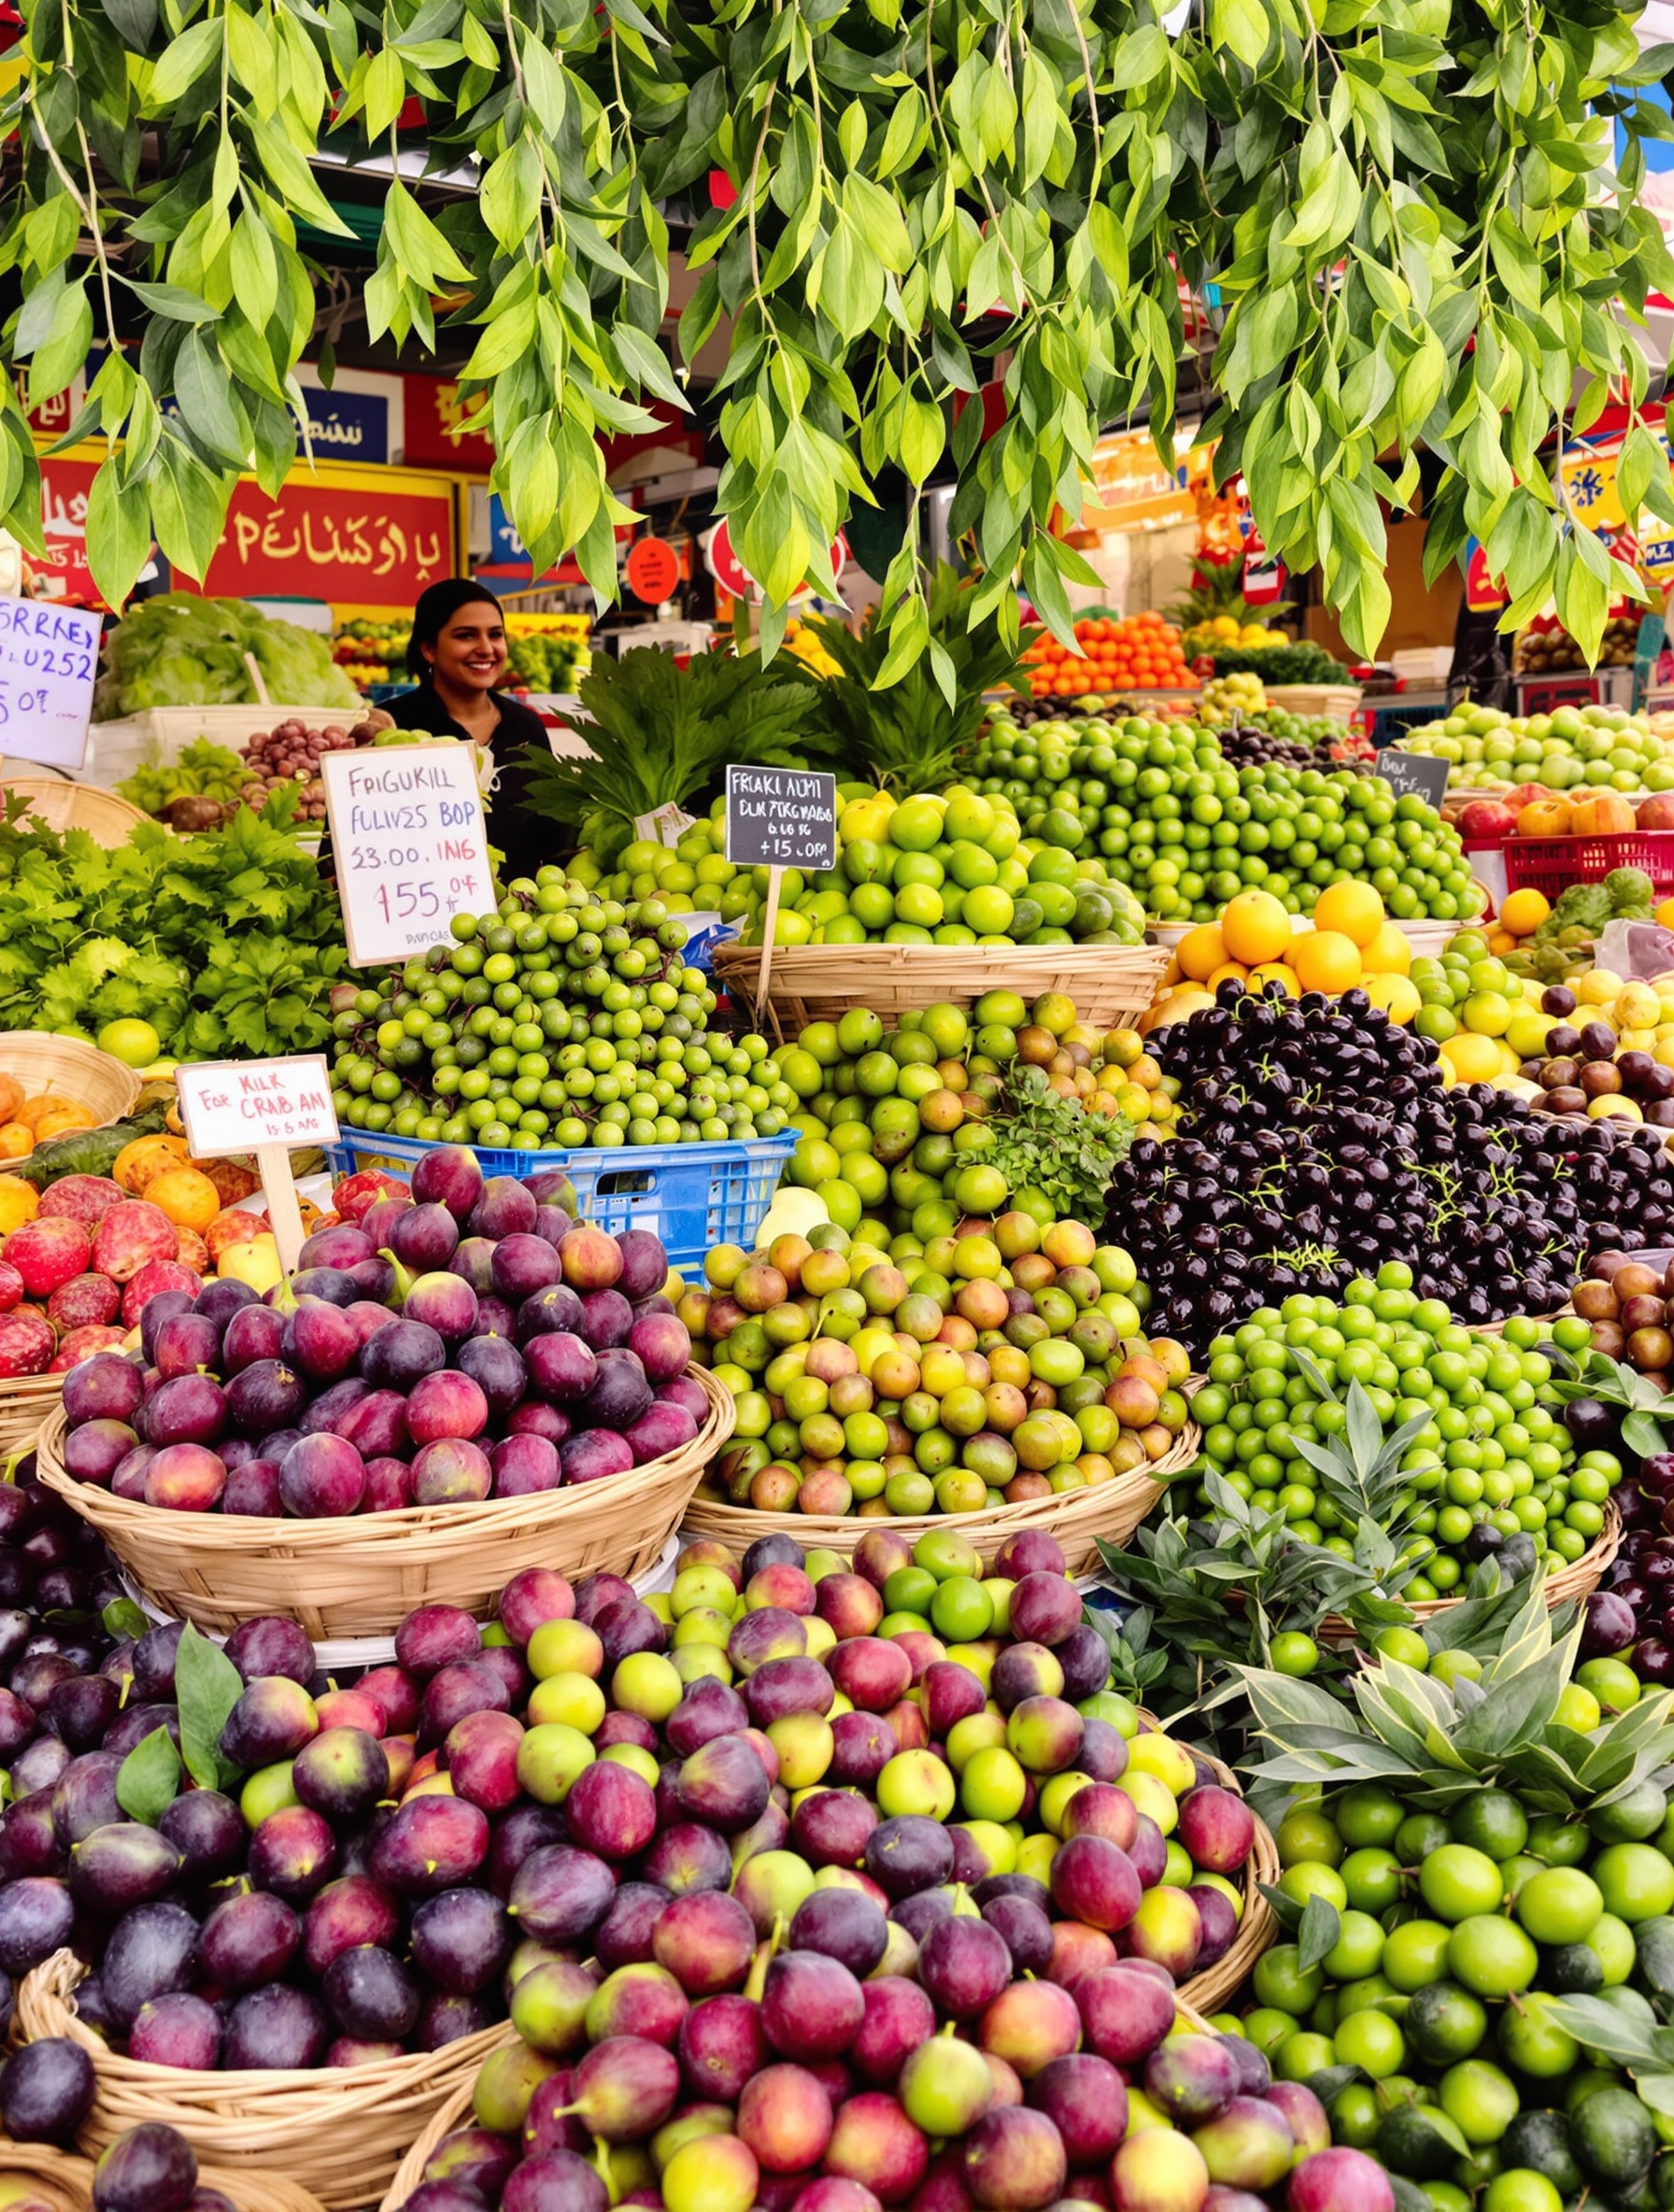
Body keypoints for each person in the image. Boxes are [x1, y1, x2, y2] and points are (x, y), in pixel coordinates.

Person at [382, 578, 554, 881]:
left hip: (524, 921)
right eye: (466, 636)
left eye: (496, 635)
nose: (486, 649)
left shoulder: (527, 727)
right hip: (424, 916)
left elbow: (553, 838)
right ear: (428, 648)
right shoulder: (394, 727)